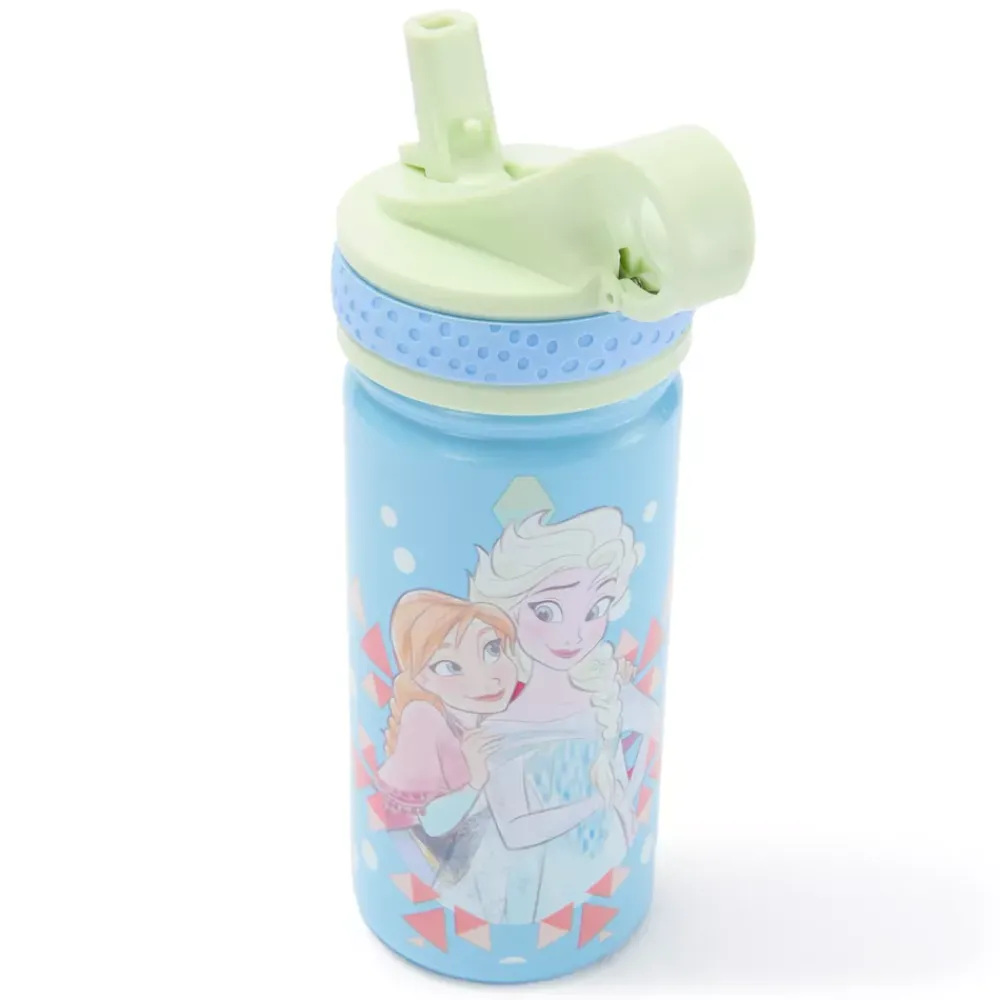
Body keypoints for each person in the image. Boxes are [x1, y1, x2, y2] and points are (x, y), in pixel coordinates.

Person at [468, 507, 661, 922]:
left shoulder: (608, 693)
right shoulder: (501, 728)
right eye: (546, 612)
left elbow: (652, 727)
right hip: (532, 891)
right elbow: (515, 830)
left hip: (609, 872)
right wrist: (595, 803)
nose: (574, 634)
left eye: (595, 609)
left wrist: (624, 802)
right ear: (508, 610)